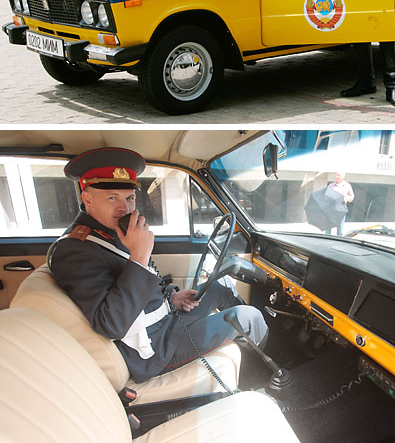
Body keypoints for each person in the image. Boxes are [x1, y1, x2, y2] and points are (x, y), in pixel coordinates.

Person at [48, 147, 268, 383]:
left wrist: (171, 297)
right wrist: (140, 257)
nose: (124, 208)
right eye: (112, 197)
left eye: (129, 198)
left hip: (166, 320)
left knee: (222, 285)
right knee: (248, 316)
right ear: (87, 198)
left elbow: (140, 289)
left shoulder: (110, 231)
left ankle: (253, 351)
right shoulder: (75, 250)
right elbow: (111, 324)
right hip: (153, 348)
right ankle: (262, 380)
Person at [325, 172, 354, 237]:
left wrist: (347, 198)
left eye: (339, 175)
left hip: (341, 210)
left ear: (343, 176)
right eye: (336, 175)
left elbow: (352, 197)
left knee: (340, 231)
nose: (337, 177)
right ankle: (326, 240)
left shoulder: (347, 186)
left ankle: (339, 241)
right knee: (327, 230)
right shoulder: (331, 186)